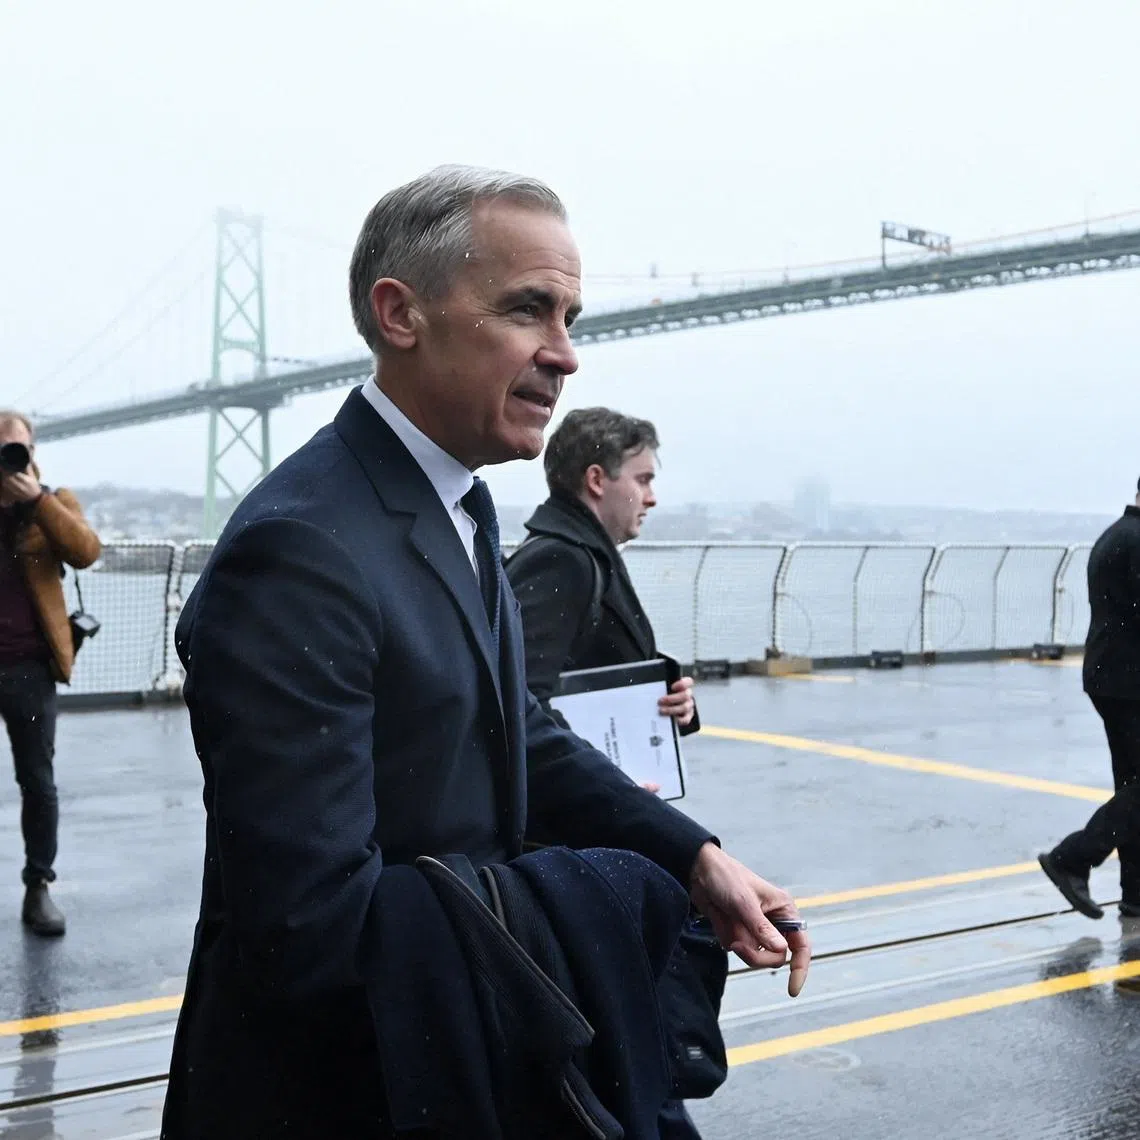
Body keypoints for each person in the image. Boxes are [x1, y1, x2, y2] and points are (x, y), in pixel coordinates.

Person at [162, 166, 810, 1139]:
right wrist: (608, 897)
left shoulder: (457, 504)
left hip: (439, 1055)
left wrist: (690, 856)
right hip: (347, 1091)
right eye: (527, 310)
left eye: (570, 318)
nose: (567, 355)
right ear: (401, 314)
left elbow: (517, 733)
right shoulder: (300, 548)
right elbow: (311, 929)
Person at [505, 407, 721, 1140]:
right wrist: (614, 790)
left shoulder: (584, 554)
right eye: (644, 478)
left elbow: (578, 680)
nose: (652, 496)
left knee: (631, 1063)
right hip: (584, 846)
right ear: (597, 480)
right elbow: (520, 706)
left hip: (598, 835)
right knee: (635, 1062)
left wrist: (673, 702)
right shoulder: (563, 560)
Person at [0, 411, 101, 937]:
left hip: (28, 667)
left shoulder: (53, 501)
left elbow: (86, 551)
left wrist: (36, 500)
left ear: (33, 452)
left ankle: (38, 886)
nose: (8, 459)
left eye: (16, 448)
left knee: (37, 782)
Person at [1038, 478, 1140, 920]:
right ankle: (1073, 857)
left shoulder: (1116, 534)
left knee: (1132, 789)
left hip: (1111, 678)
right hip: (1130, 682)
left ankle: (1135, 893)